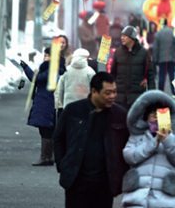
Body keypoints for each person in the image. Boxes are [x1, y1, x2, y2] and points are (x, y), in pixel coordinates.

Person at [53, 72, 129, 208]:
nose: (112, 96)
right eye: (107, 93)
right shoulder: (73, 110)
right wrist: (63, 165)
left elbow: (128, 145)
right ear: (94, 91)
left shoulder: (120, 115)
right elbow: (58, 139)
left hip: (105, 185)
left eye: (114, 92)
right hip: (76, 182)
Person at [121, 90, 175, 207]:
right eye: (153, 115)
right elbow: (129, 156)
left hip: (165, 198)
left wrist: (167, 140)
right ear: (146, 117)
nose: (157, 119)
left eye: (161, 115)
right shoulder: (138, 135)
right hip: (138, 196)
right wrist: (153, 143)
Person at [20, 47, 65, 166]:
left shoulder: (52, 69)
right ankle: (48, 156)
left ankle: (46, 157)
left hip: (46, 101)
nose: (45, 57)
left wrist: (26, 68)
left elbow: (37, 79)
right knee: (45, 130)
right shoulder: (50, 68)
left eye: (47, 56)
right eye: (45, 55)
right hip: (45, 100)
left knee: (46, 130)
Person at [111, 26, 156, 109]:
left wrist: (152, 95)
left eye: (125, 36)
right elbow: (113, 73)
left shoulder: (143, 53)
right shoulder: (118, 52)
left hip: (137, 97)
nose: (122, 38)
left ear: (132, 38)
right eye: (122, 36)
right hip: (120, 97)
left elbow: (150, 75)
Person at [153, 19, 175, 97]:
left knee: (162, 76)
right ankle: (174, 92)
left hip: (162, 59)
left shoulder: (158, 34)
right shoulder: (172, 32)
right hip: (172, 58)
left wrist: (155, 59)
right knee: (172, 76)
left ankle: (161, 92)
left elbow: (156, 48)